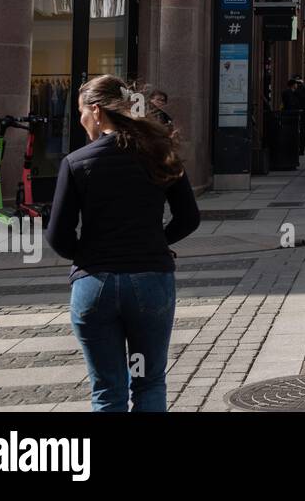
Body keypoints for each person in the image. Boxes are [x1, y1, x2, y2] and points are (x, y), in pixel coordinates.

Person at [45, 75, 200, 412]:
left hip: (95, 285)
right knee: (148, 381)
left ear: (97, 111)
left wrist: (87, 255)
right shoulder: (160, 153)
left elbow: (57, 235)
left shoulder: (76, 162)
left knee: (107, 389)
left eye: (82, 112)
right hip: (149, 280)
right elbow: (189, 218)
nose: (82, 120)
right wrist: (157, 241)